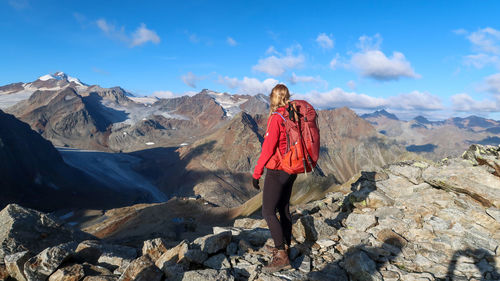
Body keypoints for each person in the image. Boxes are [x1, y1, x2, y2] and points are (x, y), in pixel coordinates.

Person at [252, 84, 297, 272]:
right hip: (292, 167)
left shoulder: (276, 118)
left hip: (277, 169)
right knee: (284, 207)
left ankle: (281, 255)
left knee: (268, 212)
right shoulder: (292, 114)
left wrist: (256, 173)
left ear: (274, 97)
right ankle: (286, 244)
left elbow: (268, 149)